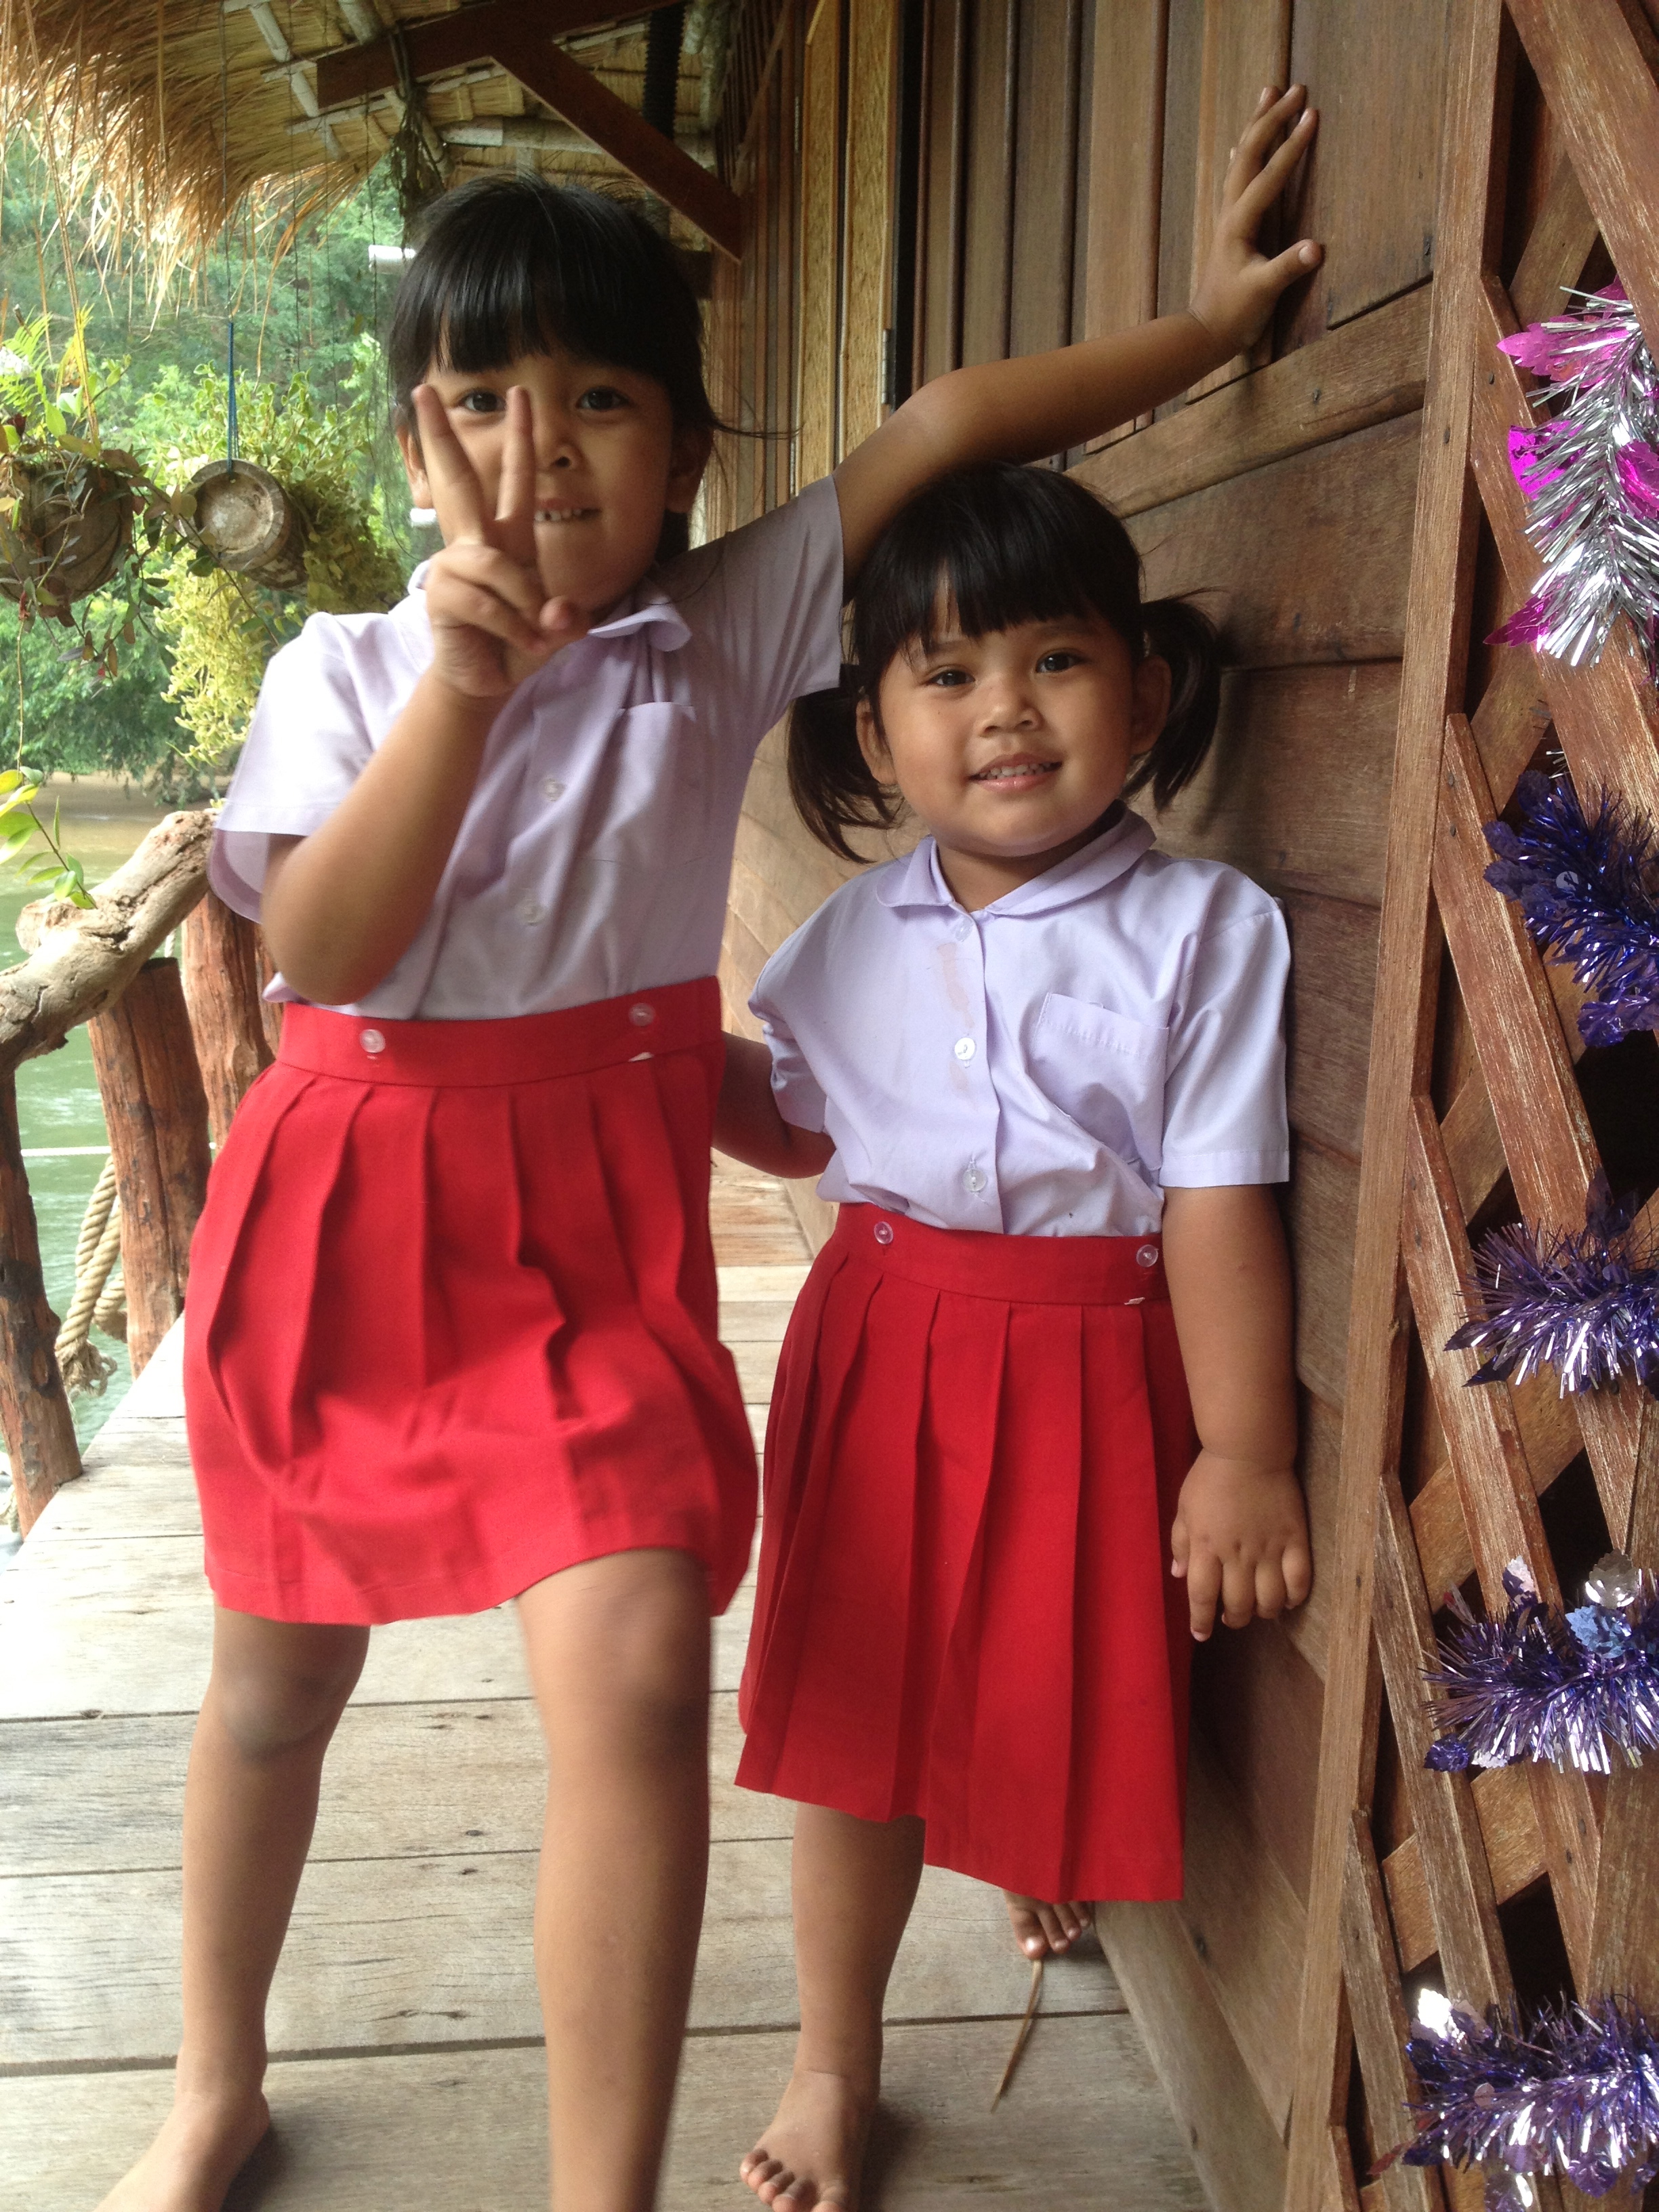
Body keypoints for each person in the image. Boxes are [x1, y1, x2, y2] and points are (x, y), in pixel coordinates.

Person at [100, 86, 1319, 2212]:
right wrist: (461, 690)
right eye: (481, 398)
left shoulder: (723, 629)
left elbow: (947, 422)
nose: (540, 448)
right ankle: (214, 2082)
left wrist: (1209, 332)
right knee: (278, 1682)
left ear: (682, 456)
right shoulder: (345, 670)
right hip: (354, 1207)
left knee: (647, 1659)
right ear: (410, 448)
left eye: (600, 398)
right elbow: (321, 948)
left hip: (588, 1227)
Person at [716, 455, 1311, 2212]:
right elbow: (800, 1127)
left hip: (1088, 1360)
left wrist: (1246, 1452)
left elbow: (1215, 1198)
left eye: (1056, 660)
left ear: (1147, 691)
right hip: (881, 1343)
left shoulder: (1205, 931)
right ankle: (836, 2060)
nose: (1005, 711)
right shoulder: (845, 938)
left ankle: (1016, 1839)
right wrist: (651, 1061)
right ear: (878, 726)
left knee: (1037, 1659)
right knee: (858, 1717)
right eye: (949, 672)